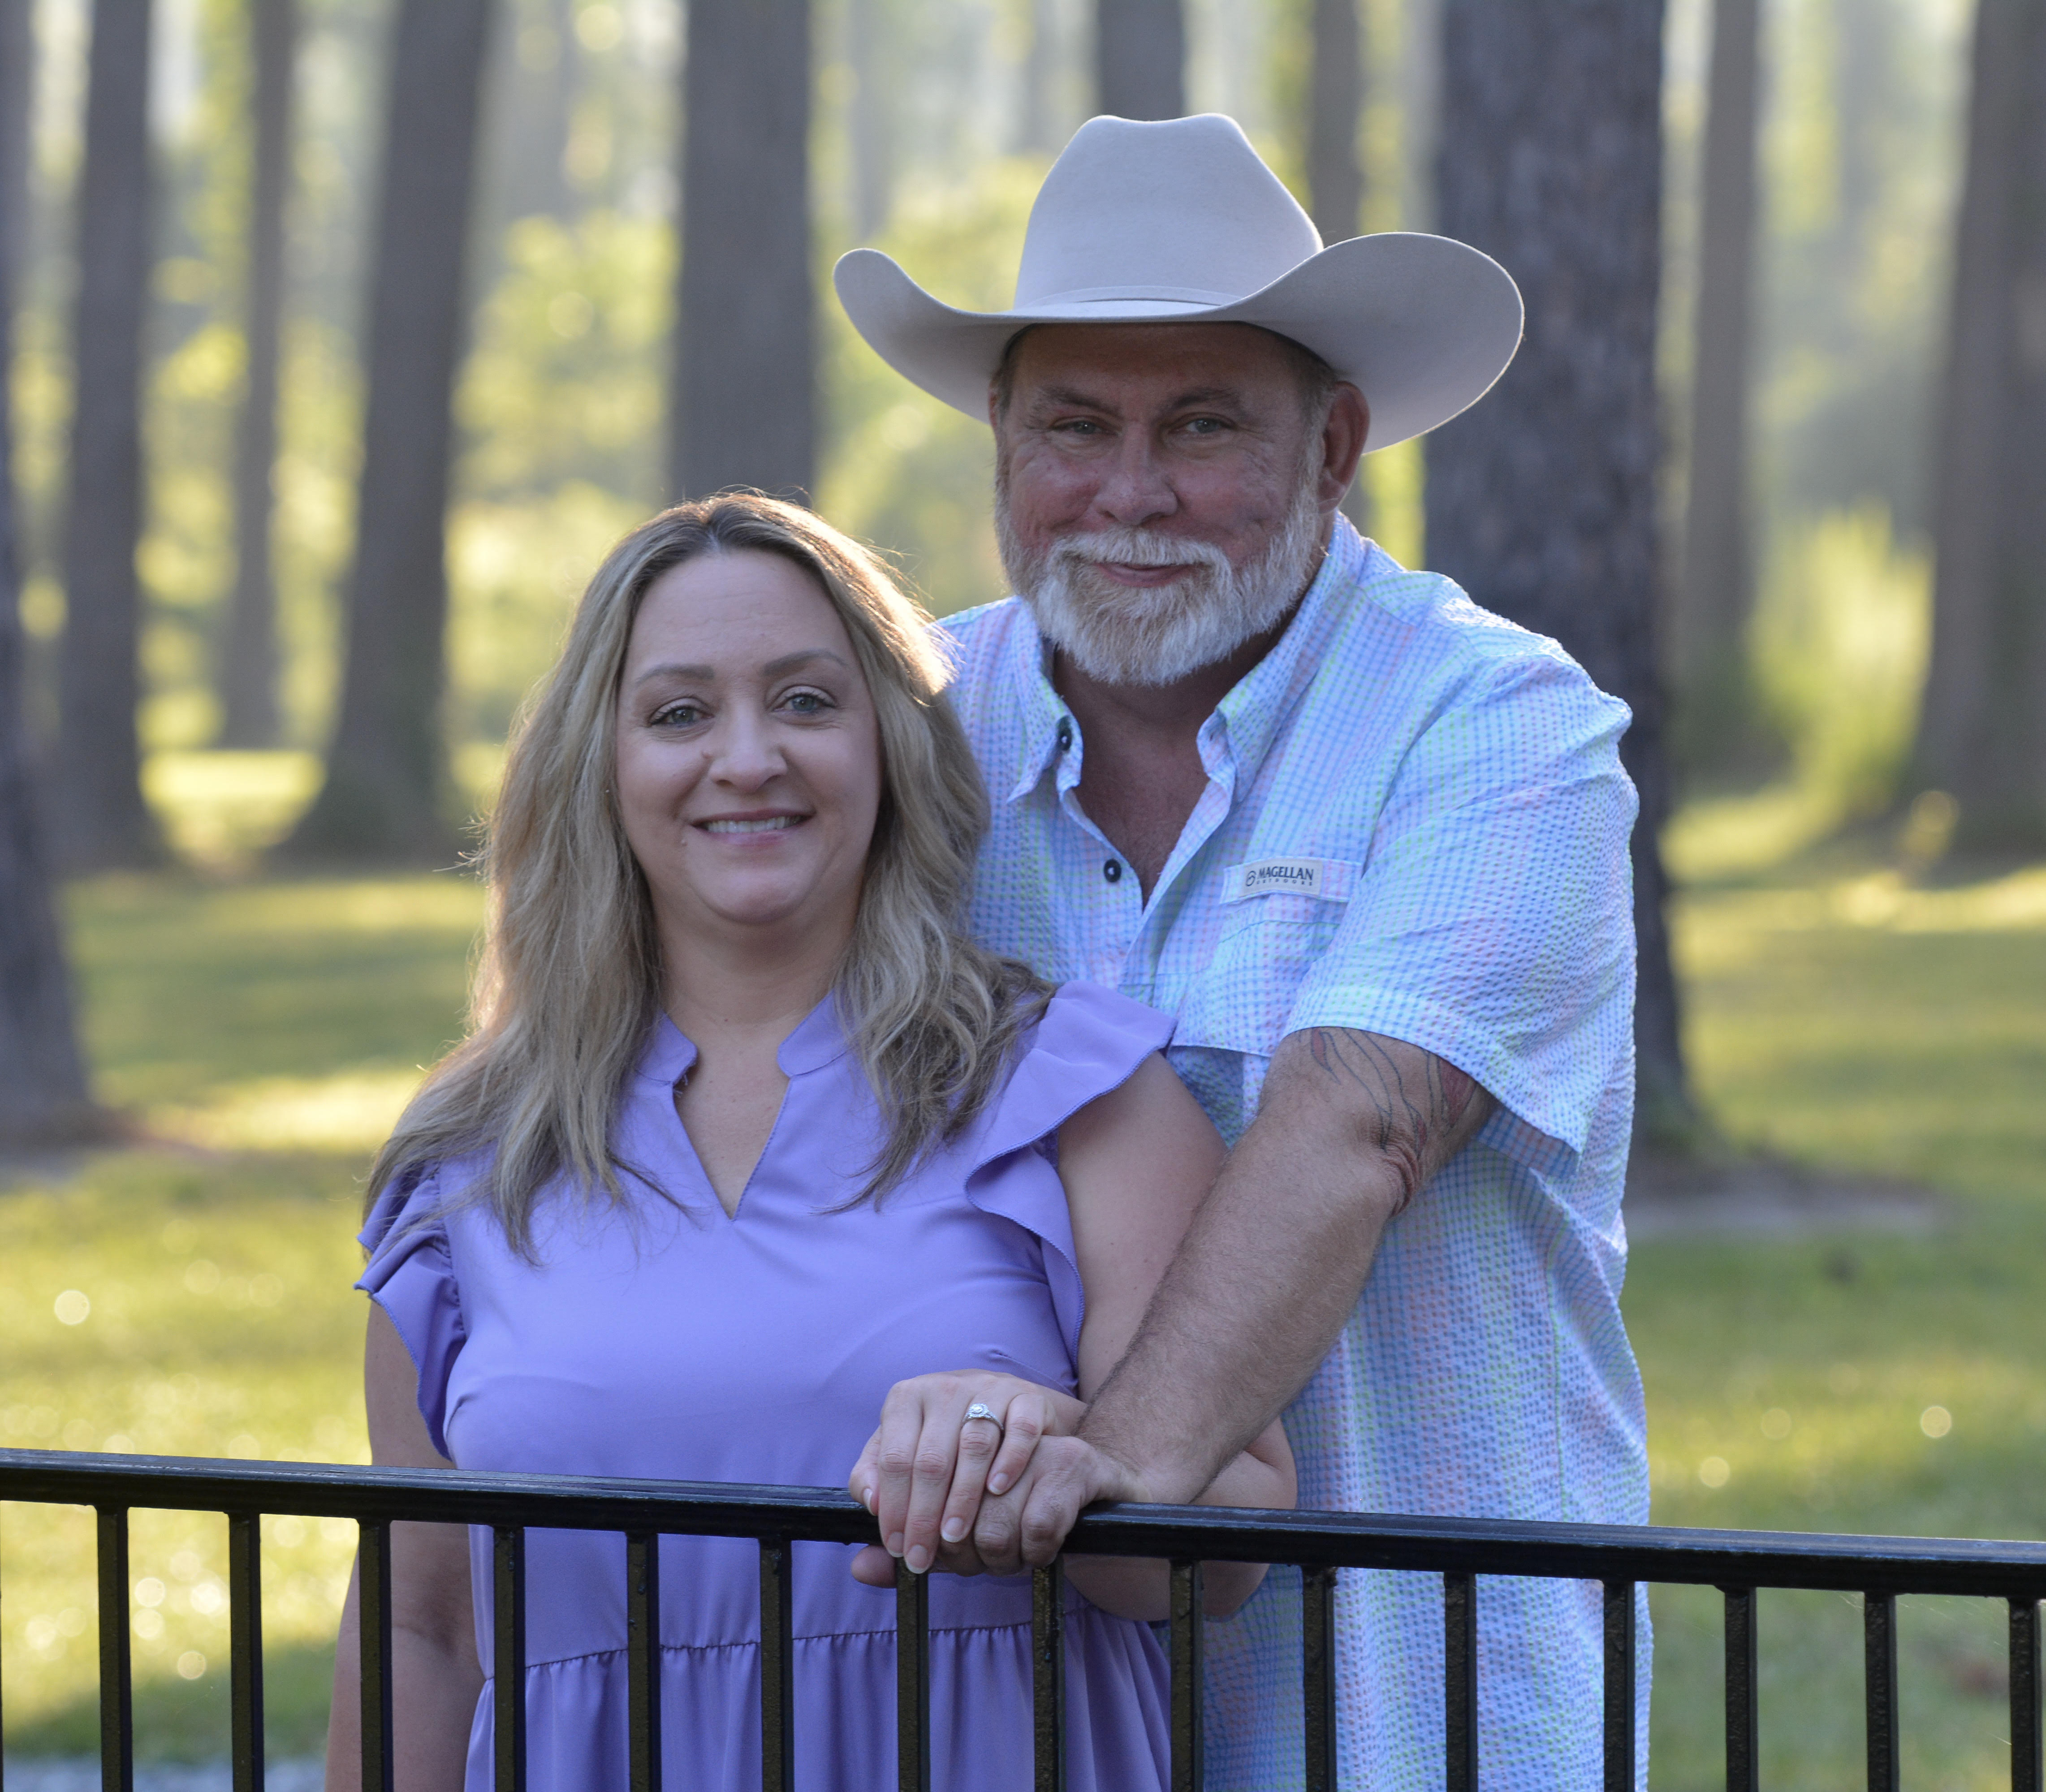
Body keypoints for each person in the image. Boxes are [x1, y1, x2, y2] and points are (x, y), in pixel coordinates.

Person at [833, 115, 1652, 1786]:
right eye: (1074, 425)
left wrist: (1098, 1481)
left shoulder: (1500, 727)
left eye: (1203, 426)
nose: (1133, 493)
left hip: (1424, 1711)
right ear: (998, 438)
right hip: (1004, 1715)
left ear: (1336, 441)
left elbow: (1359, 1125)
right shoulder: (911, 731)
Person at [323, 493, 1292, 1792]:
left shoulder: (1075, 1093)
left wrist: (1058, 1454)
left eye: (805, 701)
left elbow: (1222, 1562)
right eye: (678, 713)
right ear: (598, 766)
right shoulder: (474, 1163)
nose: (747, 759)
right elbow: (423, 1632)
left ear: (887, 741)